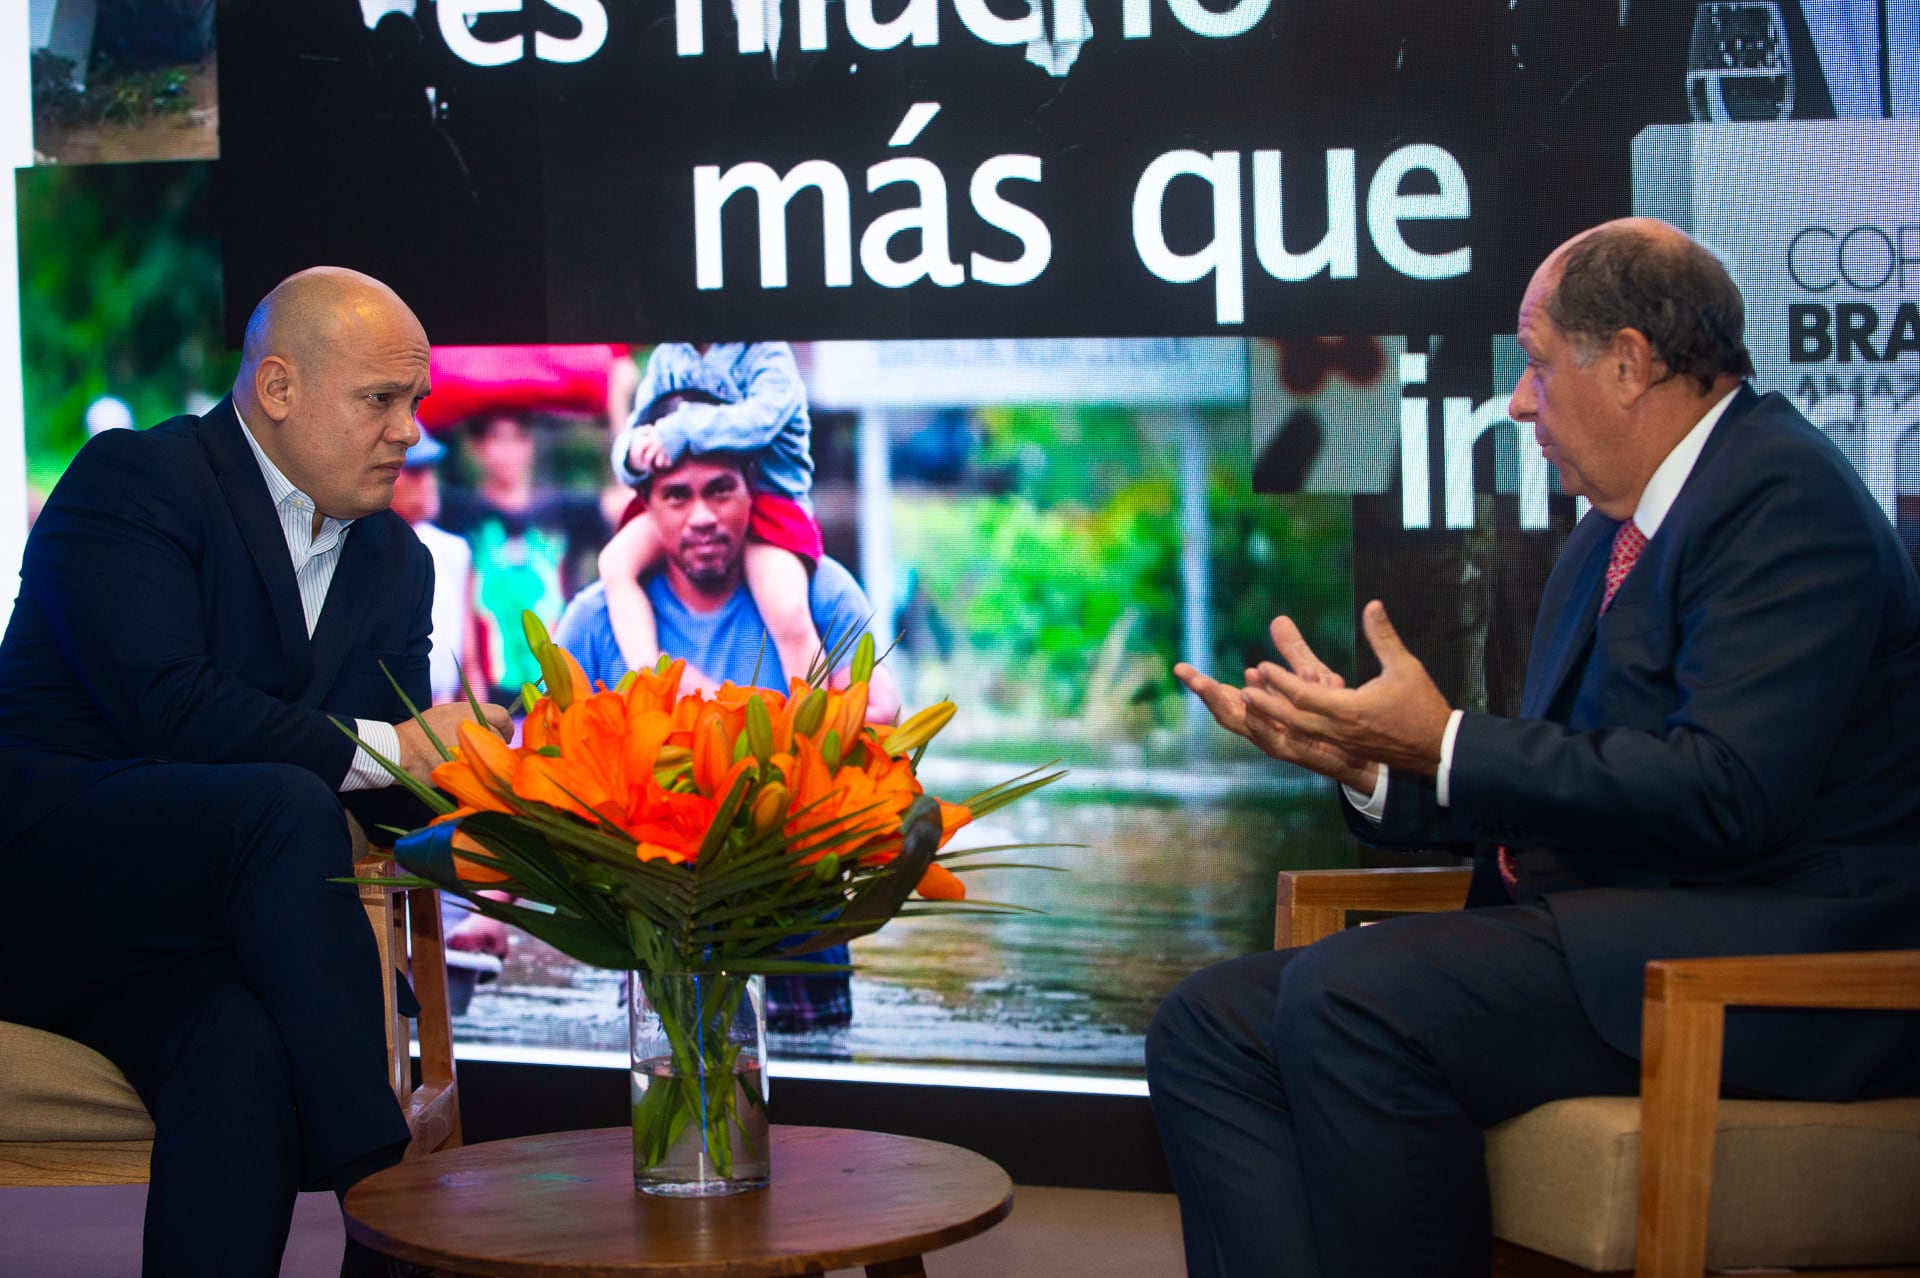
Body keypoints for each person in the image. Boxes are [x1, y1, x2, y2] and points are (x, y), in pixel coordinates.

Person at [1152, 218, 1920, 1278]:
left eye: (1536, 363)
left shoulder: (1783, 498)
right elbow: (1572, 781)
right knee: (1208, 1022)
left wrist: (1450, 741)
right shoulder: (1612, 529)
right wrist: (1377, 762)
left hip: (1762, 964)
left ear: (1630, 363)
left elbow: (1732, 793)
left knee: (1355, 997)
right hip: (1612, 931)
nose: (1518, 402)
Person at [0, 267, 513, 1278]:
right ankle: (381, 1178)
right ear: (277, 388)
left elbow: (391, 779)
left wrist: (478, 766)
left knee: (238, 1054)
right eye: (381, 400)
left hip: (200, 941)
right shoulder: (132, 482)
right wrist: (394, 747)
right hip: (45, 885)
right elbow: (167, 707)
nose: (410, 431)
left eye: (417, 403)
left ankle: (369, 1189)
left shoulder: (397, 562)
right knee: (280, 803)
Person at [557, 422, 900, 1032]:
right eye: (676, 496)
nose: (702, 516)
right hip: (658, 932)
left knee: (816, 1118)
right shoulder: (594, 618)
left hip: (798, 919)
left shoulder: (819, 591)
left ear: (753, 495)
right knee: (661, 1106)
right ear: (645, 507)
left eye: (720, 490)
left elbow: (879, 723)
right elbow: (542, 761)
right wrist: (491, 908)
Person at [599, 343, 823, 695]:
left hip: (768, 503)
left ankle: (813, 720)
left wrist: (680, 428)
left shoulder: (766, 354)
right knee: (614, 562)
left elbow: (761, 420)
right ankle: (650, 681)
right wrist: (635, 452)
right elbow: (636, 426)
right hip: (689, 494)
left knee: (787, 607)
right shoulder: (667, 356)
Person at [437, 411, 610, 700]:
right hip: (484, 691)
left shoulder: (564, 510)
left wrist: (614, 413)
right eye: (497, 439)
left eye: (518, 438)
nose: (508, 451)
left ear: (531, 444)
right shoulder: (457, 513)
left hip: (559, 686)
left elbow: (623, 505)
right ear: (477, 447)